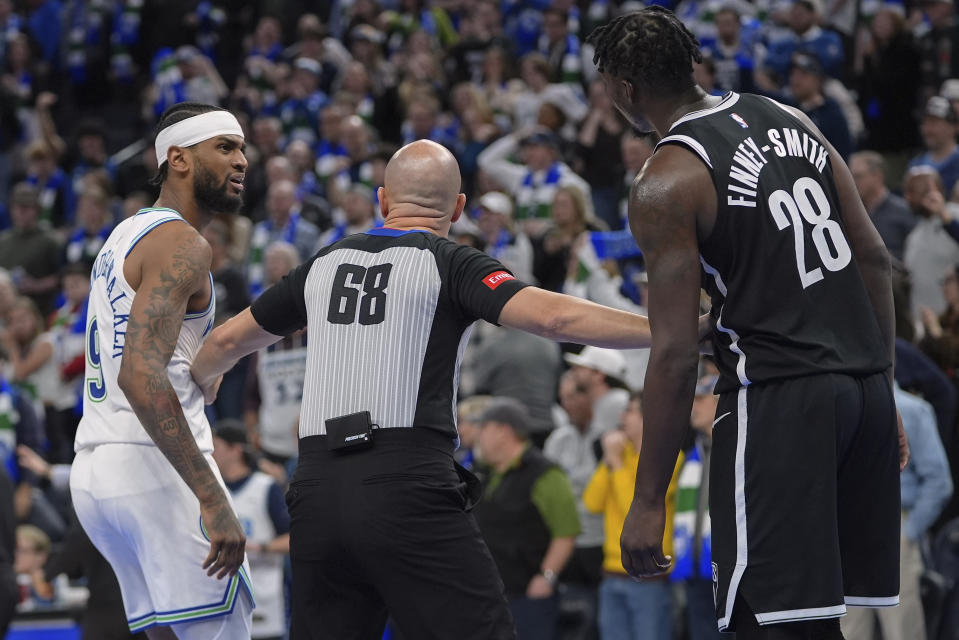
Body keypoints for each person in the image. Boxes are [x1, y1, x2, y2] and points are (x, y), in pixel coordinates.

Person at [190, 139, 667, 640]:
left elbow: (223, 341)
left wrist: (205, 375)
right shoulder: (451, 261)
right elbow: (557, 316)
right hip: (405, 481)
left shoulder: (322, 265)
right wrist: (674, 330)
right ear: (458, 208)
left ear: (382, 201)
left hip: (315, 490)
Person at [588, 7, 908, 638]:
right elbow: (871, 256)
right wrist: (884, 386)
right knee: (816, 621)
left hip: (780, 399)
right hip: (863, 393)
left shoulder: (666, 179)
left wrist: (650, 497)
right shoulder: (791, 118)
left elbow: (675, 354)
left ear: (624, 89)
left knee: (766, 622)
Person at [69, 101, 253, 639]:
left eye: (242, 148)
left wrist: (202, 368)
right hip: (154, 467)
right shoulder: (183, 243)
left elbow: (149, 351)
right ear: (178, 159)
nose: (241, 161)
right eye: (224, 147)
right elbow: (141, 377)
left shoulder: (124, 235)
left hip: (98, 470)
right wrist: (214, 497)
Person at [842, 385, 952, 640]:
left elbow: (939, 481)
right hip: (851, 527)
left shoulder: (912, 410)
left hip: (890, 526)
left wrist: (909, 532)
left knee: (899, 627)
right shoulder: (842, 401)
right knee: (851, 629)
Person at [474, 398, 580, 640]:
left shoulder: (545, 473)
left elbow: (566, 532)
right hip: (490, 595)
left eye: (484, 428)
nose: (478, 436)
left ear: (504, 431)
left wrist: (546, 577)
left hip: (527, 595)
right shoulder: (485, 473)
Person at [582, 391, 681, 640]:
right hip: (611, 571)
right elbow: (591, 503)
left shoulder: (668, 458)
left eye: (629, 411)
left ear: (648, 417)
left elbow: (635, 508)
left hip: (650, 576)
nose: (621, 416)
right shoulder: (619, 455)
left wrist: (615, 464)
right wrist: (609, 461)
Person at [211, 421, 290, 640]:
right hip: (220, 594)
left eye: (216, 445)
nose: (210, 450)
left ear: (236, 450)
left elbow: (294, 539)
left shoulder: (265, 486)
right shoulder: (211, 491)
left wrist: (260, 547)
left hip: (264, 592)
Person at [849, 151, 916, 261]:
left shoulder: (904, 211)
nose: (853, 182)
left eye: (858, 176)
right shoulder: (850, 214)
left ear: (877, 177)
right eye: (850, 176)